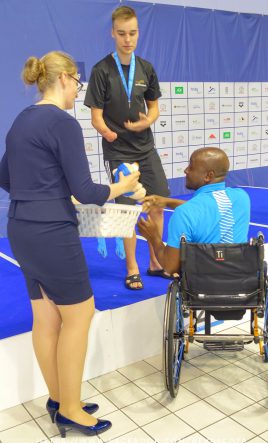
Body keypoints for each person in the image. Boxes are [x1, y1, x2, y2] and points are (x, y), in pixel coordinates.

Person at [0, 51, 140, 438]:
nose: (79, 91)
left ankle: (60, 399)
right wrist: (123, 187)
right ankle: (72, 410)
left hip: (20, 227)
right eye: (78, 83)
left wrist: (45, 191)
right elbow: (87, 191)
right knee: (79, 315)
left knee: (46, 318)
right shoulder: (62, 123)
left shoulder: (21, 121)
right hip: (50, 231)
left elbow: (4, 179)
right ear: (65, 79)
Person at [84, 5, 170, 290]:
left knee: (156, 206)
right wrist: (109, 134)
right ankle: (132, 266)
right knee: (128, 211)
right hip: (118, 151)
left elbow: (154, 107)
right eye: (121, 33)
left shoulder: (146, 68)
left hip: (146, 149)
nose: (127, 39)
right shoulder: (101, 70)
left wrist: (147, 123)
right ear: (112, 33)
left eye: (132, 33)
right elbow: (96, 116)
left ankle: (157, 261)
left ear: (138, 33)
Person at [138, 147, 250, 274]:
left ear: (208, 176)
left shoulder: (184, 213)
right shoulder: (242, 198)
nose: (186, 170)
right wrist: (167, 202)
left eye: (191, 167)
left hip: (202, 286)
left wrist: (154, 238)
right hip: (242, 281)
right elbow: (208, 210)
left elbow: (170, 267)